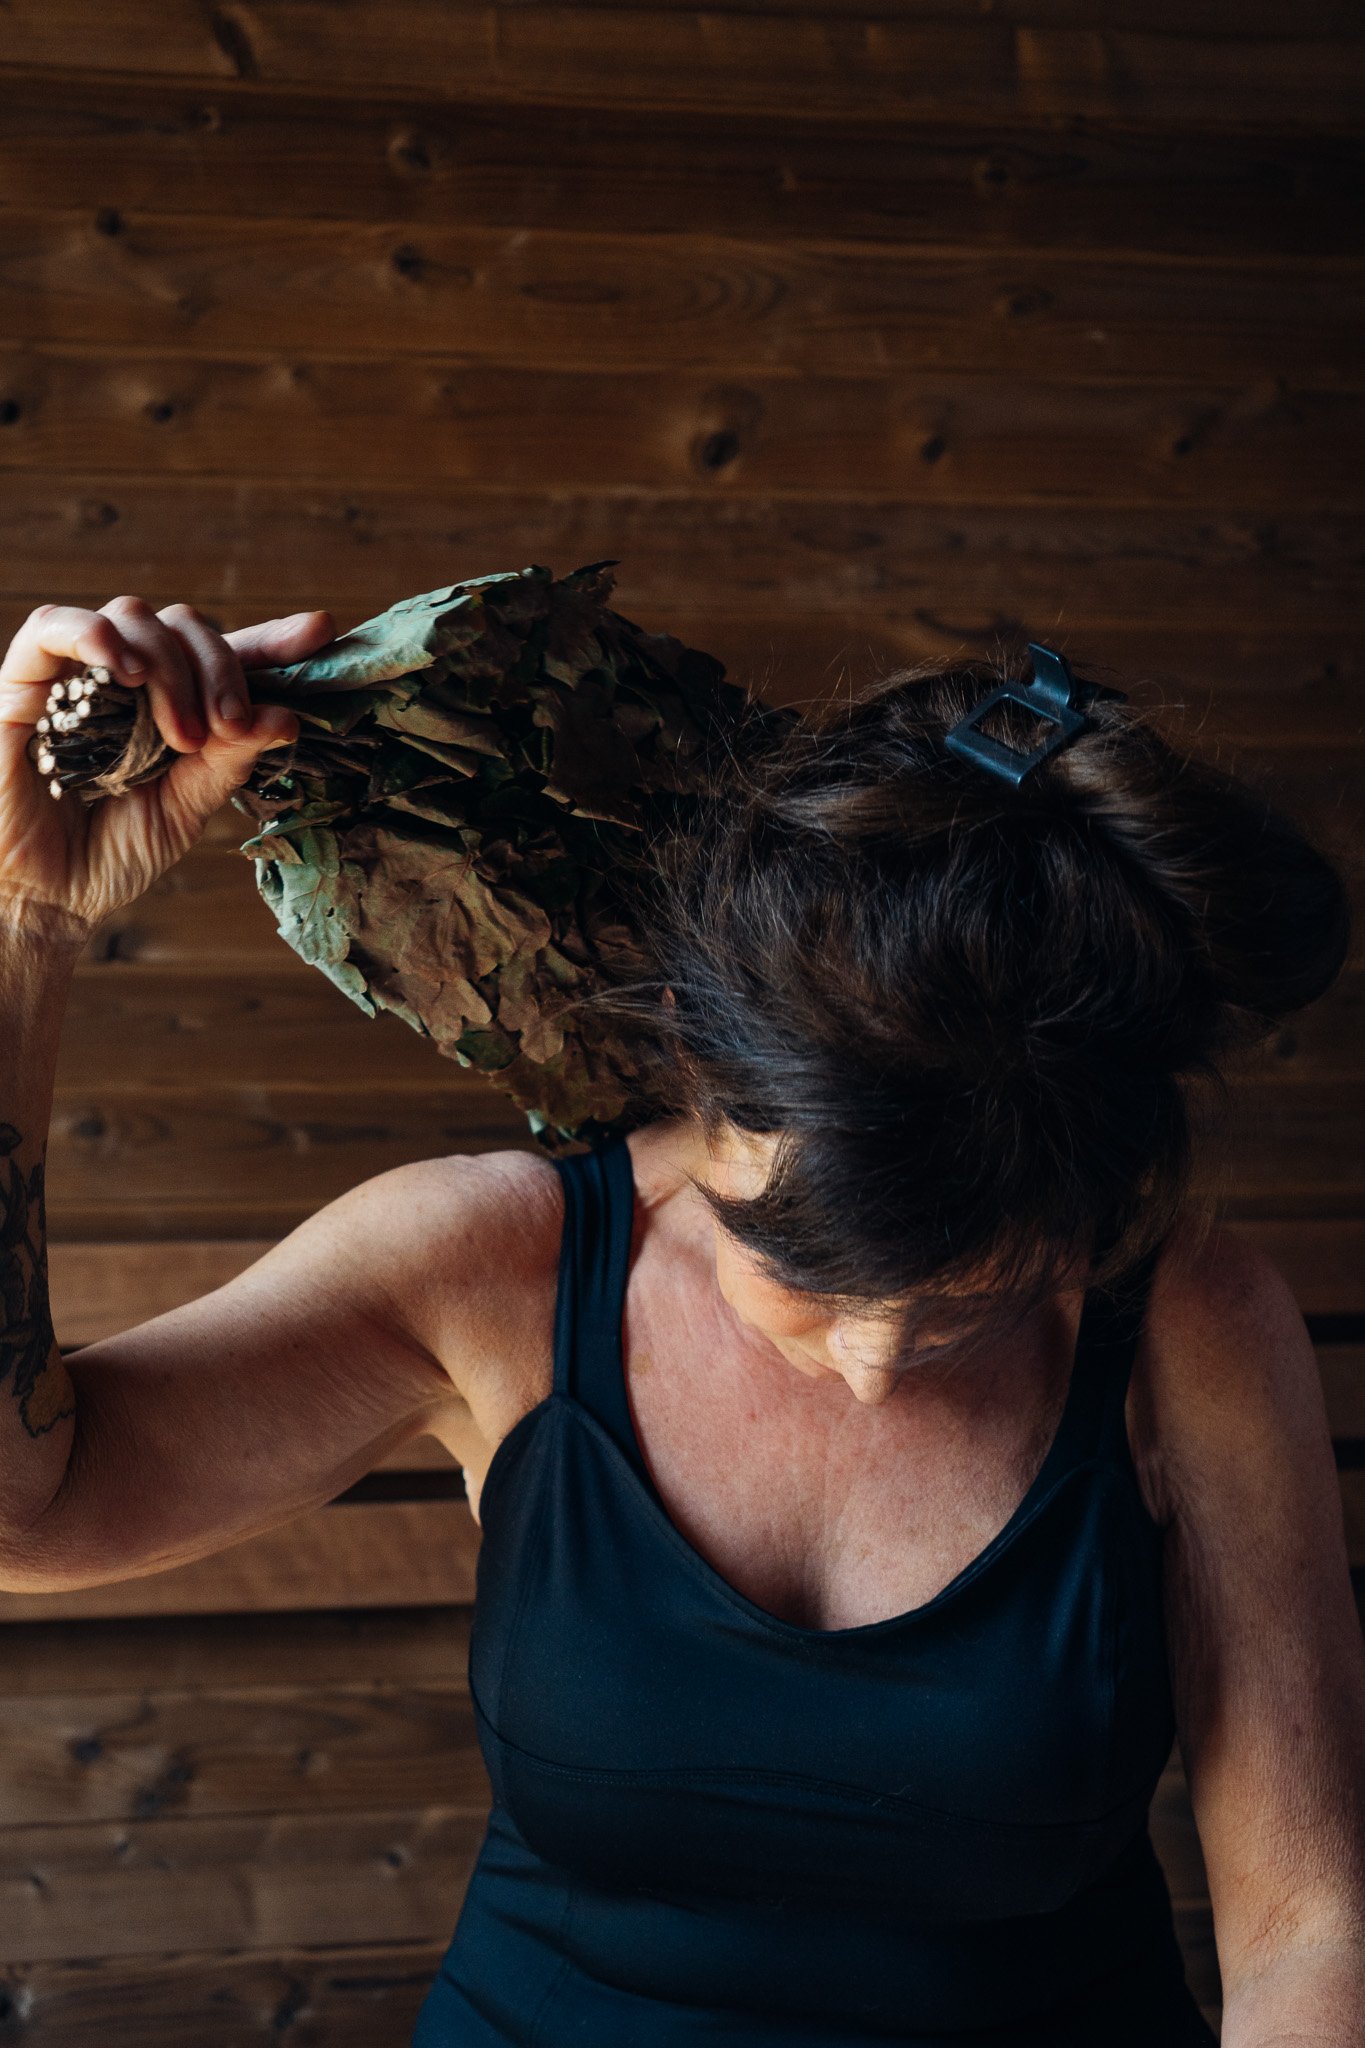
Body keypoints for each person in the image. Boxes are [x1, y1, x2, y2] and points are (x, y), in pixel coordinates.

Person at [0, 598, 1360, 2046]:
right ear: (695, 1078)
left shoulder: (1183, 1319)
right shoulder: (493, 1267)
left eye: (976, 1293)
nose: (874, 1359)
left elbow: (1309, 1931)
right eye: (804, 1267)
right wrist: (27, 922)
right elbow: (32, 1509)